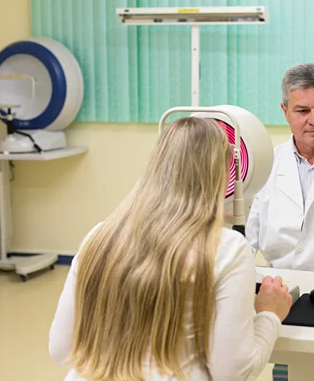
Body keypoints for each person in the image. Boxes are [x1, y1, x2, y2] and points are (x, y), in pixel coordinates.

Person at [49, 117, 292, 381]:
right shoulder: (227, 249)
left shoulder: (98, 237)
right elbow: (231, 373)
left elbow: (61, 350)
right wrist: (269, 314)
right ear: (221, 174)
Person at [246, 63, 314, 272]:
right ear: (285, 111)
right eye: (302, 111)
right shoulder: (265, 164)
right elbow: (246, 241)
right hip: (280, 286)